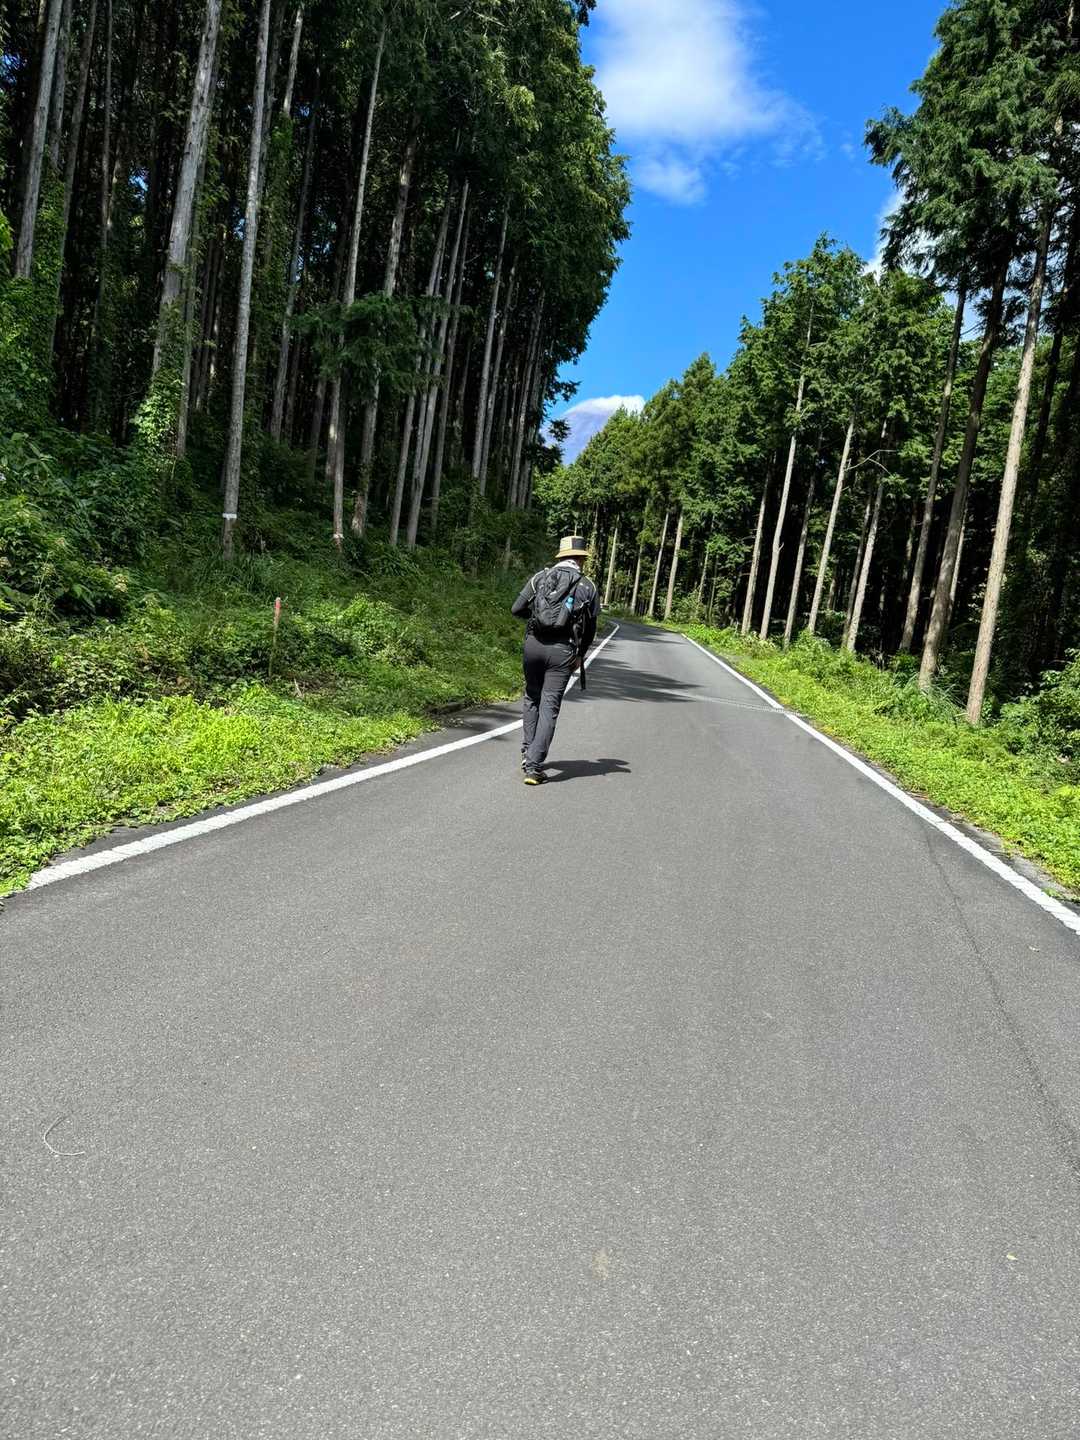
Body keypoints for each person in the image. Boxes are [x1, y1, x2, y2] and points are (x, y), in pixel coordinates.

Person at [511, 535, 601, 785]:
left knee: (532, 698)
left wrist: (537, 618)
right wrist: (580, 654)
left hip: (533, 645)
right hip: (562, 651)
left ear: (561, 556)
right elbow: (591, 629)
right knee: (549, 706)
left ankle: (527, 753)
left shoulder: (540, 578)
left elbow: (516, 608)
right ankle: (534, 767)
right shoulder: (588, 586)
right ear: (581, 559)